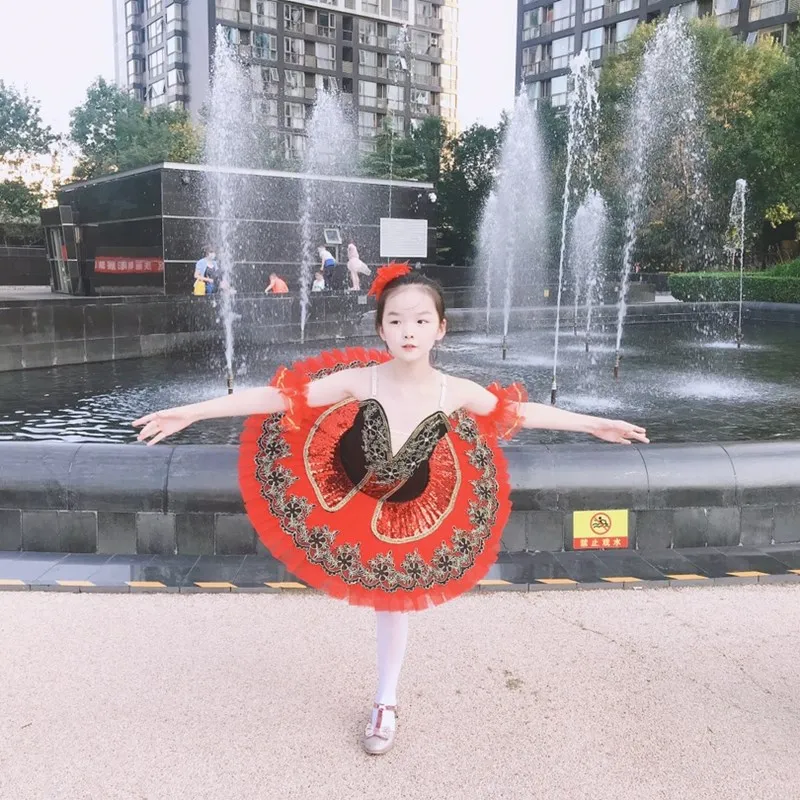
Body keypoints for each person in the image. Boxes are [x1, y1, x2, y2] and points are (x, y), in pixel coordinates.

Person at [133, 263, 648, 757]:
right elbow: (278, 397)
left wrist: (594, 424)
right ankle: (384, 699)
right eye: (396, 320)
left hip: (410, 506)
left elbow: (520, 412)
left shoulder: (454, 391)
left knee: (394, 600)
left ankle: (385, 701)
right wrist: (191, 412)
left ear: (440, 329)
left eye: (421, 321)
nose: (408, 331)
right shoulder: (364, 380)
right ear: (381, 328)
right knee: (375, 590)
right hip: (346, 487)